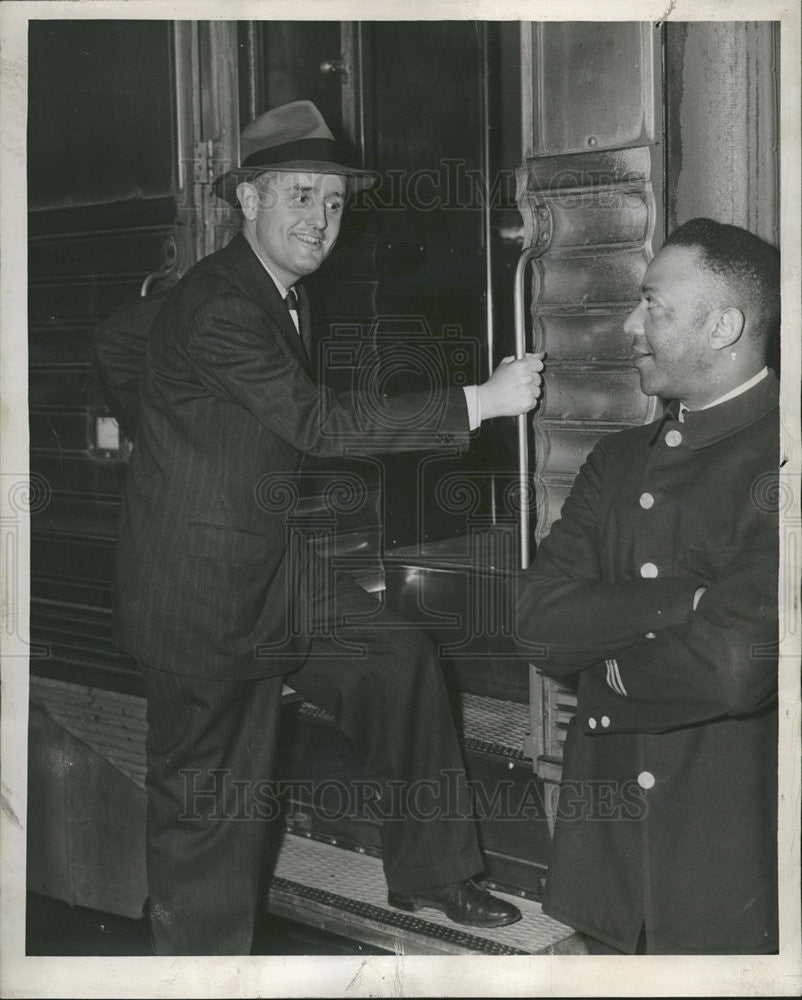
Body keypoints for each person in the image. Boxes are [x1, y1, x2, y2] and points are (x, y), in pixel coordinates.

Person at [111, 100, 544, 954]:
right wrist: (480, 402)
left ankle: (433, 875)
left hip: (267, 569)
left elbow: (118, 340)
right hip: (203, 599)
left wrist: (174, 432)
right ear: (247, 200)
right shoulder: (224, 304)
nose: (319, 220)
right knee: (212, 817)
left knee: (396, 661)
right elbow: (317, 423)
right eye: (299, 196)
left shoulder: (264, 291)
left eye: (334, 202)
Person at [515, 218, 780, 954]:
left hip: (728, 868)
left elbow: (734, 670)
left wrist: (603, 671)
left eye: (653, 307)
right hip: (610, 873)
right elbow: (536, 621)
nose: (630, 325)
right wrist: (689, 601)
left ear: (723, 325)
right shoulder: (619, 460)